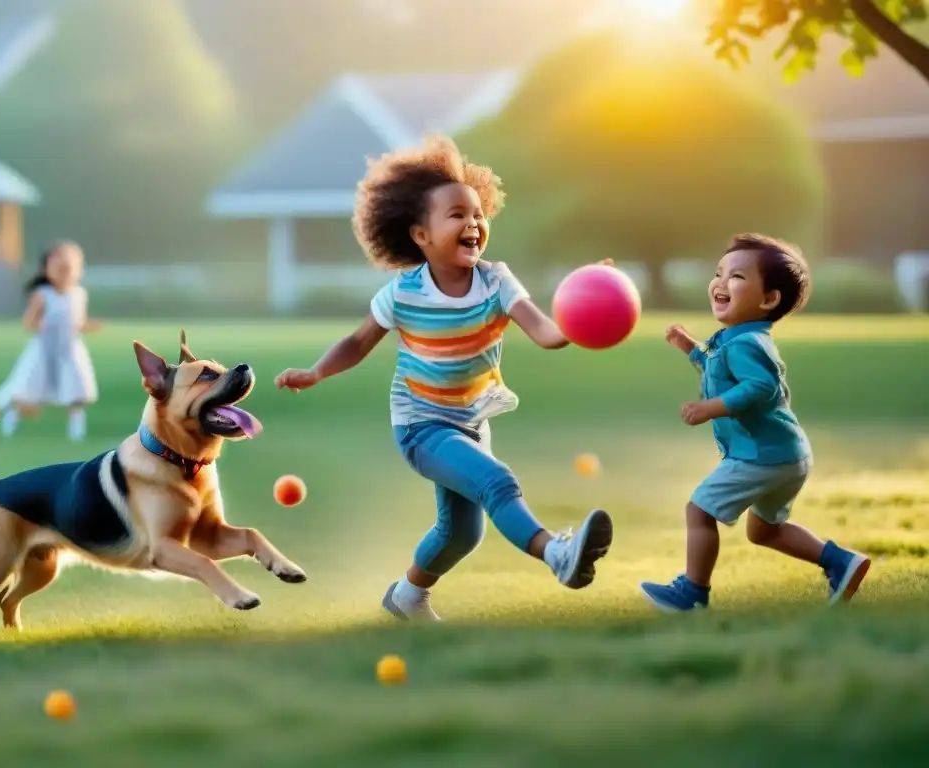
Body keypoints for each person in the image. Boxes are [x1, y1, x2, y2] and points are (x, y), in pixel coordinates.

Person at [275, 135, 613, 621]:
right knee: (497, 481)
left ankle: (406, 597)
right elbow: (357, 342)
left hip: (471, 421)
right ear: (421, 235)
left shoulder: (496, 281)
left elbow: (545, 333)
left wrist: (587, 309)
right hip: (420, 425)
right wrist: (316, 372)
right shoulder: (403, 293)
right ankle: (557, 554)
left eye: (478, 214)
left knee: (461, 534)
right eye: (457, 215)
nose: (473, 223)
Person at [640, 233, 870, 612]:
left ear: (768, 299)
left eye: (736, 276)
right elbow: (719, 368)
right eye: (719, 273)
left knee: (699, 510)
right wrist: (691, 348)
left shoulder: (746, 344)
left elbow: (760, 386)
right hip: (785, 455)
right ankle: (840, 562)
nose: (720, 282)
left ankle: (692, 593)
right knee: (765, 531)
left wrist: (711, 407)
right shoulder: (739, 339)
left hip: (760, 456)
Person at [0, 241, 101, 441]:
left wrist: (89, 326)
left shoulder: (79, 294)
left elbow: (78, 322)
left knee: (75, 389)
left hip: (69, 349)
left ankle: (77, 428)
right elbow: (28, 322)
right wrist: (42, 326)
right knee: (30, 391)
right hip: (44, 349)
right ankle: (13, 417)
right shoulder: (43, 295)